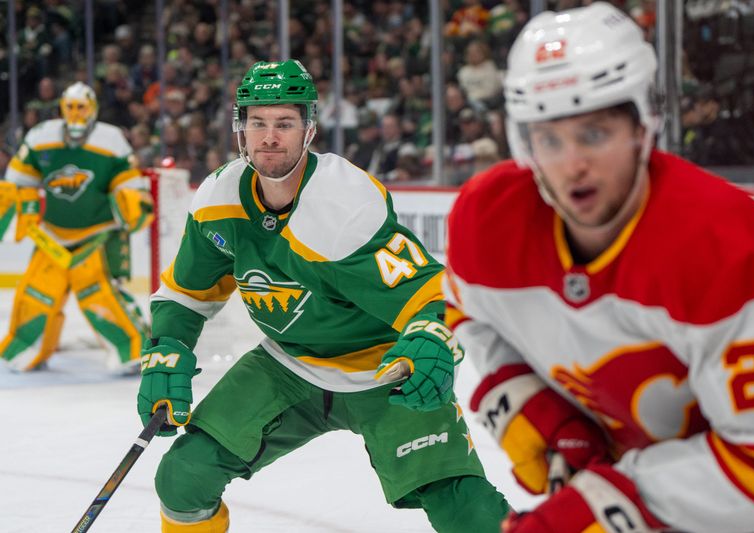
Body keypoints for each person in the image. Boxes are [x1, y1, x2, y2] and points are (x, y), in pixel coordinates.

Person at [444, 3, 754, 532]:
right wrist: (542, 415)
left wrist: (598, 509)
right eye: (549, 139)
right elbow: (467, 315)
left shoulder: (725, 246)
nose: (571, 164)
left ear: (643, 125)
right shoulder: (487, 222)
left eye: (595, 133)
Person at [137, 59, 508, 532]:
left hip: (383, 368)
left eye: (285, 124)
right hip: (287, 365)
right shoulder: (218, 200)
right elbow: (186, 292)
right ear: (240, 129)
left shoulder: (343, 204)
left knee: (465, 509)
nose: (270, 137)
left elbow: (428, 290)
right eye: (259, 123)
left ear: (308, 129)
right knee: (183, 477)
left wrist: (432, 334)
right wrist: (168, 347)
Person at [0, 82, 152, 372]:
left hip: (95, 236)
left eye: (81, 106)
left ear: (93, 108)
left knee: (100, 295)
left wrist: (132, 201)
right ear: (61, 108)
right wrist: (23, 207)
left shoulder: (111, 141)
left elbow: (128, 182)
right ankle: (25, 347)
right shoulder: (41, 137)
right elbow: (19, 179)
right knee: (35, 293)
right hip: (51, 236)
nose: (75, 113)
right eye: (70, 106)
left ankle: (130, 350)